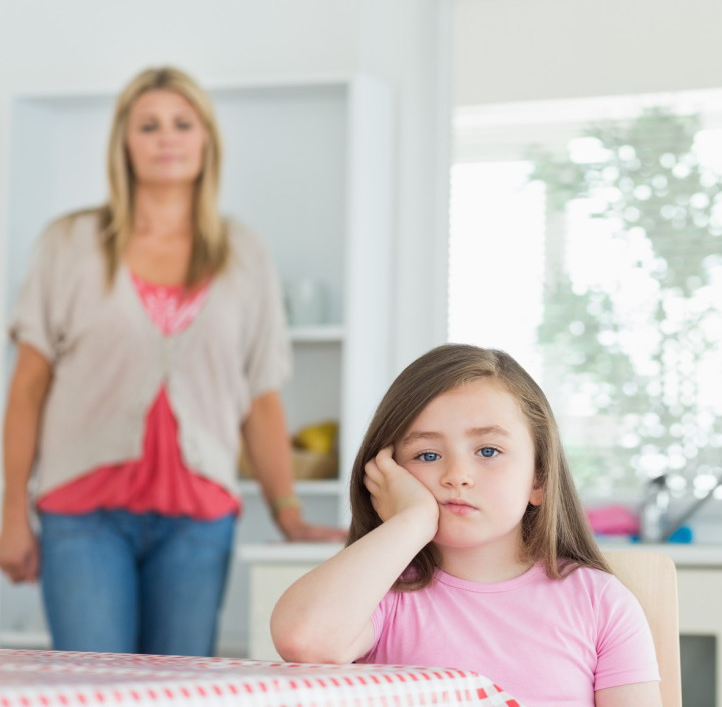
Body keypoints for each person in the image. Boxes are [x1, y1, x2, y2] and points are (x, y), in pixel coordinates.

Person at [0, 66, 345, 657]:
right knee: (92, 685)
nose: (167, 137)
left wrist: (288, 513)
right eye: (149, 125)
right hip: (82, 513)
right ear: (124, 143)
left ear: (206, 139)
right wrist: (10, 512)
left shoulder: (243, 253)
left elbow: (260, 395)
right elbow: (29, 387)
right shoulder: (69, 243)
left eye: (182, 124)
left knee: (178, 691)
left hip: (198, 516)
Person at [270, 344, 661, 707]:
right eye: (427, 454)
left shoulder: (600, 603)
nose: (457, 475)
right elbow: (304, 640)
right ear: (386, 475)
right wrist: (412, 520)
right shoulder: (381, 599)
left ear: (538, 479)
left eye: (488, 451)